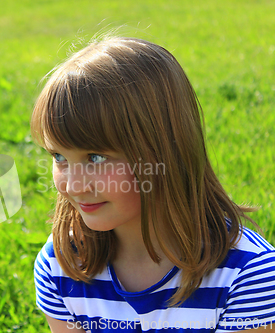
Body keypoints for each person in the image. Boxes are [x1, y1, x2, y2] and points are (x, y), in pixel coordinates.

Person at [30, 36, 275, 333]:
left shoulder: (248, 275)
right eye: (59, 157)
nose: (74, 186)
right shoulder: (62, 265)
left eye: (96, 157)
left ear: (165, 152)